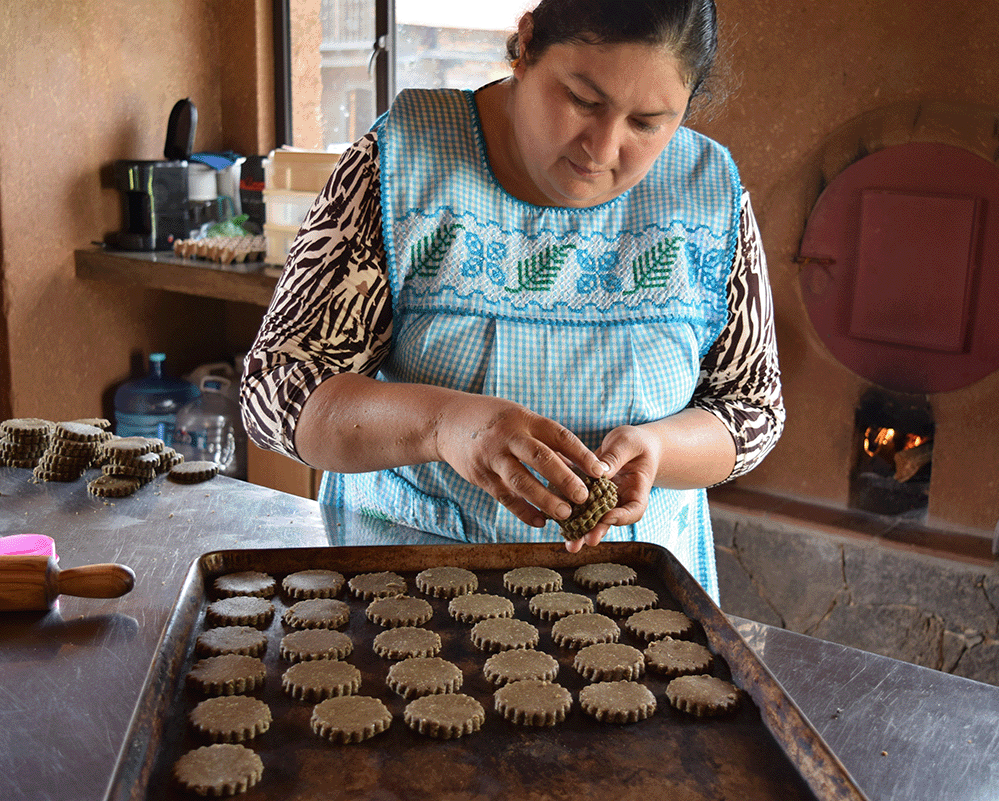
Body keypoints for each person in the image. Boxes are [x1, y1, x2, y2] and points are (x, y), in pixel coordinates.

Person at [241, 0, 784, 602]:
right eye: (582, 99)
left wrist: (659, 449)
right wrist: (441, 425)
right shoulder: (402, 165)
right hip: (410, 591)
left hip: (632, 598)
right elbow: (278, 390)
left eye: (648, 122)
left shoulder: (708, 195)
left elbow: (750, 409)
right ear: (525, 46)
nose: (602, 149)